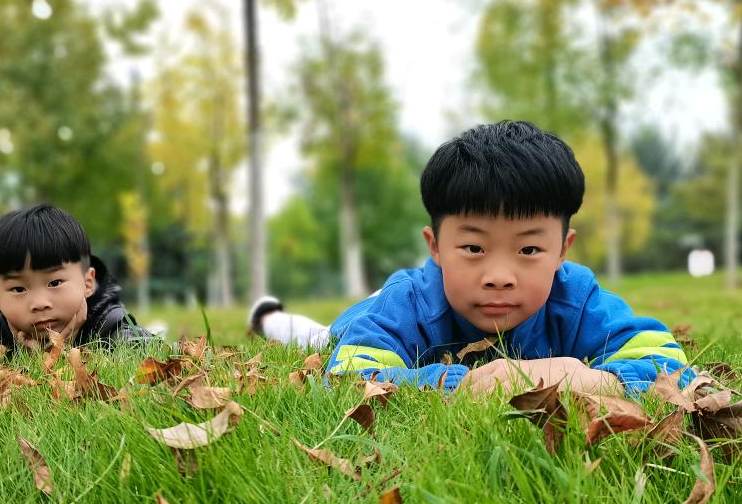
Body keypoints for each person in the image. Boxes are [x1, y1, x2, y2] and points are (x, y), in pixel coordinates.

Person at [249, 121, 692, 396]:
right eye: (474, 248)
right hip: (378, 308)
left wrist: (598, 380)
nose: (499, 276)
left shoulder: (576, 297)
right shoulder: (409, 304)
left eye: (529, 250)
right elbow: (346, 380)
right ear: (436, 246)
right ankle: (270, 318)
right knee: (320, 338)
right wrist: (463, 385)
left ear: (562, 251)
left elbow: (672, 366)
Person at [0, 204, 150, 355]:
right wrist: (25, 358)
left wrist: (65, 355)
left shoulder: (107, 324)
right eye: (19, 289)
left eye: (55, 283)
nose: (39, 304)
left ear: (87, 283)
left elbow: (149, 351)